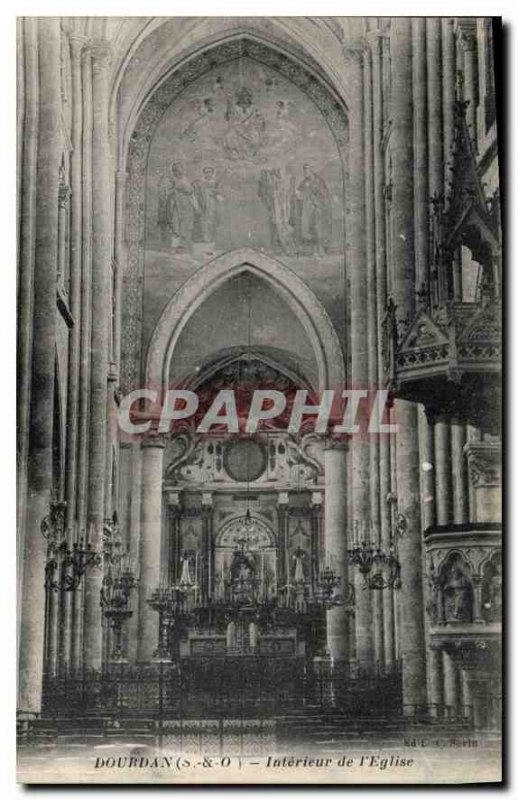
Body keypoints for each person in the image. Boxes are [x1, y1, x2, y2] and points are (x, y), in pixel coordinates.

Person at [158, 161, 198, 252]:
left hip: (186, 207)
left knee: (186, 226)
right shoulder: (170, 180)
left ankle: (183, 246)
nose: (180, 172)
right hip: (175, 206)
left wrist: (189, 189)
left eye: (181, 169)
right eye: (177, 170)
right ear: (174, 171)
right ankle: (175, 246)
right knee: (175, 226)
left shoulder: (185, 179)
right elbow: (166, 192)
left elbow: (190, 191)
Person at [296, 164, 331, 256]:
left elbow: (324, 195)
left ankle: (320, 249)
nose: (305, 173)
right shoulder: (304, 182)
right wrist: (300, 195)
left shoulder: (318, 181)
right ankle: (313, 250)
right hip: (308, 209)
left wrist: (316, 200)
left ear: (311, 171)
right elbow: (299, 192)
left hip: (318, 208)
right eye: (304, 171)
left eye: (306, 171)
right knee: (310, 229)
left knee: (318, 228)